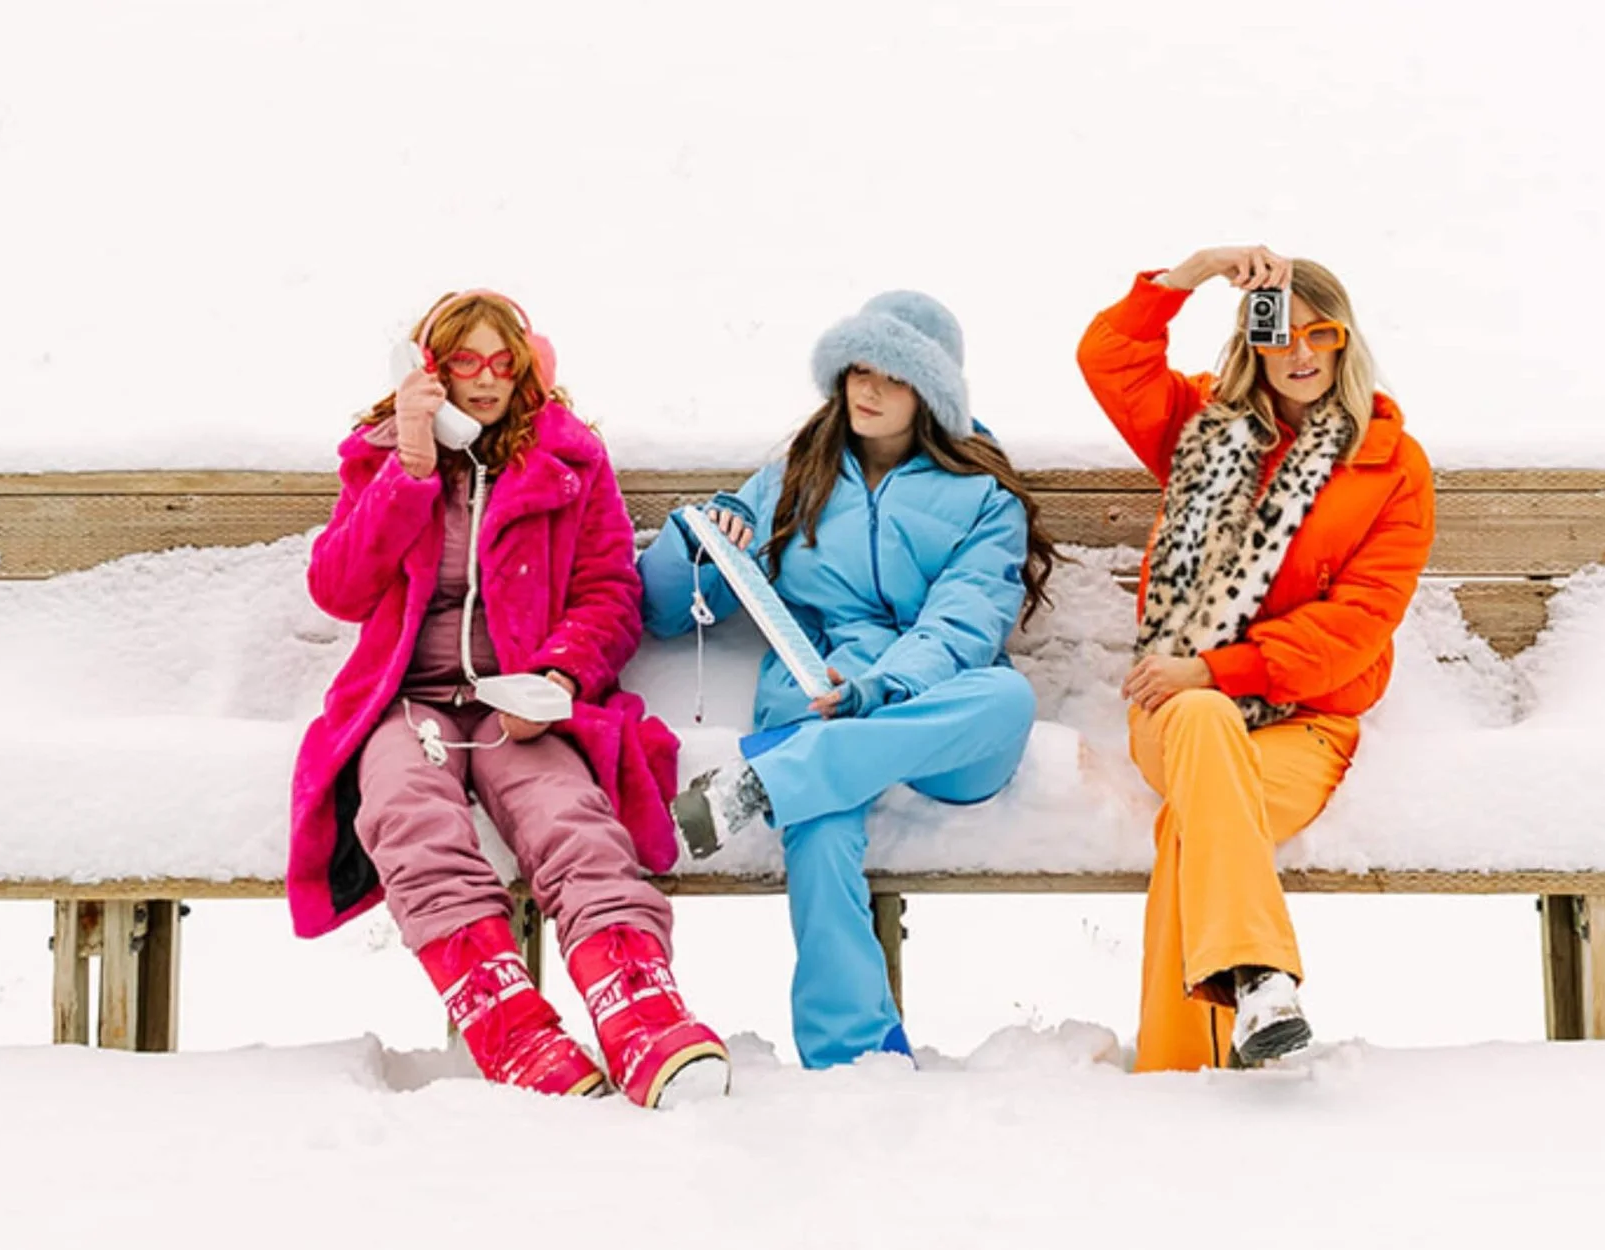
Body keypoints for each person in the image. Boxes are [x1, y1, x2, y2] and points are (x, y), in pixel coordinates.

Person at [288, 289, 728, 1108]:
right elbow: (339, 588)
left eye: (503, 363)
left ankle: (641, 1010)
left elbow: (608, 595)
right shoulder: (385, 458)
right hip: (406, 701)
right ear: (428, 369)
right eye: (465, 363)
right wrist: (412, 465)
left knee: (569, 817)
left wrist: (560, 678)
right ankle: (509, 1026)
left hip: (518, 702)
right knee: (408, 817)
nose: (486, 381)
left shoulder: (569, 460)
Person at [637, 291, 1055, 1069]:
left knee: (1009, 698)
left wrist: (881, 690)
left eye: (891, 375)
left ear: (930, 393)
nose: (867, 388)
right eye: (858, 368)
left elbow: (961, 628)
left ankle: (765, 782)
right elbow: (662, 610)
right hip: (814, 698)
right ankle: (851, 1057)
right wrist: (698, 537)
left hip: (934, 716)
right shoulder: (796, 475)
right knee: (821, 823)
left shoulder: (983, 500)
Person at [1076, 246, 1435, 1072]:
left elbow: (1360, 623)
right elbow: (1109, 357)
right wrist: (1194, 273)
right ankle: (1263, 978)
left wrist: (1218, 670)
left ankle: (1177, 1071)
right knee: (1199, 722)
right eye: (1279, 334)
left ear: (1347, 341)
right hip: (1171, 710)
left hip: (1303, 726)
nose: (1301, 354)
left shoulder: (1391, 468)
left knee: (1190, 827)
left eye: (1322, 333)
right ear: (1251, 340)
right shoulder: (1201, 427)